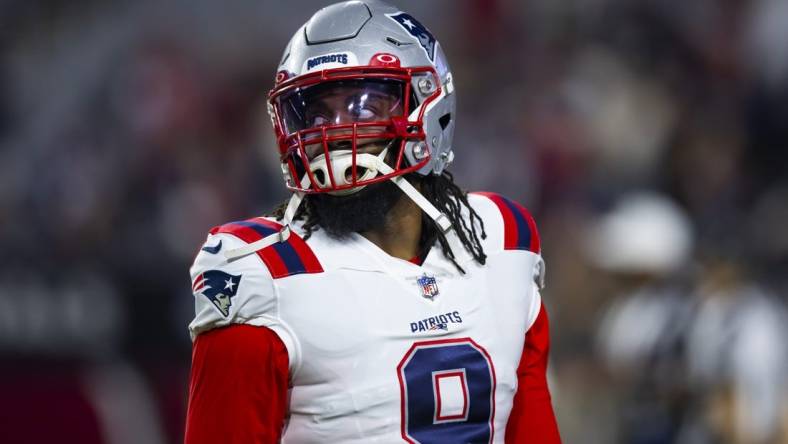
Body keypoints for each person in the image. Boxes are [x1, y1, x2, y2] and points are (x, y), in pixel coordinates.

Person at [184, 1, 561, 442]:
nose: (335, 133)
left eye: (362, 109)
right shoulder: (263, 272)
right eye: (318, 115)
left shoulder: (501, 240)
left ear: (430, 106)